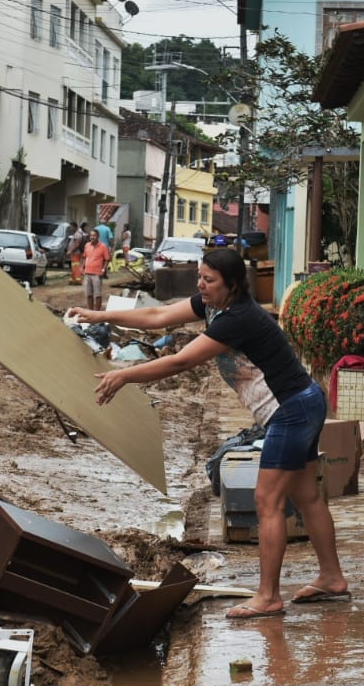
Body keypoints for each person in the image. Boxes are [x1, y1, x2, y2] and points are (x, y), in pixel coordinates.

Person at [68, 248, 349, 619]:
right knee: (307, 495)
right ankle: (332, 577)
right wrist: (100, 314)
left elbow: (181, 360)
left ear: (231, 285)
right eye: (200, 277)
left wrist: (124, 375)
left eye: (209, 280)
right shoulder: (212, 305)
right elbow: (158, 315)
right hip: (303, 402)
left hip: (291, 410)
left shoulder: (237, 318)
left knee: (267, 501)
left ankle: (268, 597)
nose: (201, 285)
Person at [81, 227, 110, 311]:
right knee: (88, 294)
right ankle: (91, 311)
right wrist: (82, 267)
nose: (92, 237)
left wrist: (103, 270)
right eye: (91, 235)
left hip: (97, 274)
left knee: (97, 295)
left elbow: (107, 259)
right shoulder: (87, 245)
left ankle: (97, 313)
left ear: (98, 236)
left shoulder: (103, 246)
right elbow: (84, 256)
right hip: (87, 273)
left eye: (94, 235)